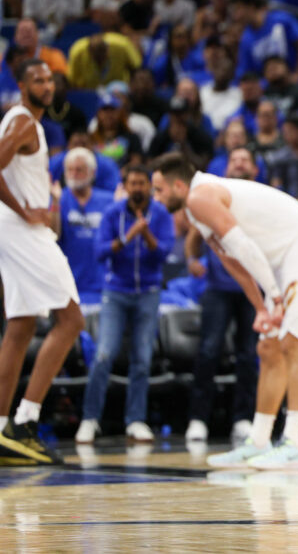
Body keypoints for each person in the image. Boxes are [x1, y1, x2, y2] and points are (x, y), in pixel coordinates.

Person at [152, 152, 298, 470]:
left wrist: (274, 296)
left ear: (178, 185)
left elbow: (245, 247)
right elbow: (231, 260)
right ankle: (259, 442)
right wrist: (261, 306)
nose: (157, 198)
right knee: (269, 347)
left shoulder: (200, 197)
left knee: (293, 340)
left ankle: (294, 443)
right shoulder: (196, 208)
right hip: (283, 259)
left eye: (159, 190)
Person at [0, 59, 85, 464]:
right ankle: (26, 421)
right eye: (38, 79)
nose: (47, 85)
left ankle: (2, 429)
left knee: (20, 326)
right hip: (21, 232)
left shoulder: (21, 123)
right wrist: (24, 211)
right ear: (21, 85)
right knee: (71, 320)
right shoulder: (24, 124)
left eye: (50, 79)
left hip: (11, 231)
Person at [75, 165, 174, 443]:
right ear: (126, 186)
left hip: (148, 292)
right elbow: (100, 252)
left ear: (149, 187)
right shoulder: (112, 214)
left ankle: (136, 420)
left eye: (143, 183)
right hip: (116, 291)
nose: (139, 188)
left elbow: (164, 253)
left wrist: (147, 235)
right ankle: (90, 418)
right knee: (104, 354)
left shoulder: (161, 214)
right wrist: (128, 236)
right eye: (133, 183)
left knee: (142, 359)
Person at [183, 149, 261, 444]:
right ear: (227, 168)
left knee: (247, 355)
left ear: (254, 168)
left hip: (251, 288)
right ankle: (198, 418)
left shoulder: (260, 198)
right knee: (208, 351)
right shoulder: (218, 195)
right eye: (234, 159)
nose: (239, 162)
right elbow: (194, 236)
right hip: (218, 287)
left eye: (245, 158)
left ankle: (243, 418)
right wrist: (192, 260)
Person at [56, 147, 114, 306]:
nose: (74, 174)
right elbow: (53, 235)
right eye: (70, 169)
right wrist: (54, 205)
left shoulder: (109, 201)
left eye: (79, 170)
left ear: (93, 172)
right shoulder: (58, 200)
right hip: (68, 284)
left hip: (103, 285)